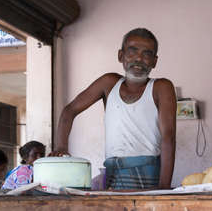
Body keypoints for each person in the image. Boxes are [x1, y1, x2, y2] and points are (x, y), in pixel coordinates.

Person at [51, 28, 177, 190]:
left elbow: (169, 137)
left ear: (154, 61)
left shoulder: (161, 87)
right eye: (132, 51)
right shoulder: (109, 83)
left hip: (148, 170)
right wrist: (61, 147)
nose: (139, 58)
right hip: (112, 171)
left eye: (147, 53)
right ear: (120, 55)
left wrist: (164, 186)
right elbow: (70, 110)